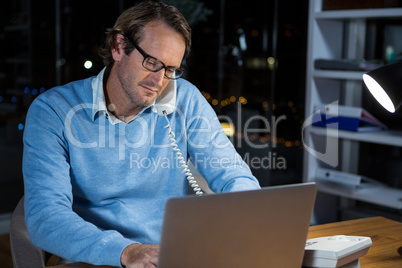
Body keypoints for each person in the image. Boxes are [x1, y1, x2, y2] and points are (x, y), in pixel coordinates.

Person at [22, 1, 260, 267]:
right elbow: (45, 216)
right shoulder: (53, 111)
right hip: (99, 258)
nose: (159, 82)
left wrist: (246, 216)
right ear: (119, 47)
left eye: (171, 70)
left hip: (172, 255)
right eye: (151, 62)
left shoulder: (185, 99)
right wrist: (128, 252)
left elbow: (234, 175)